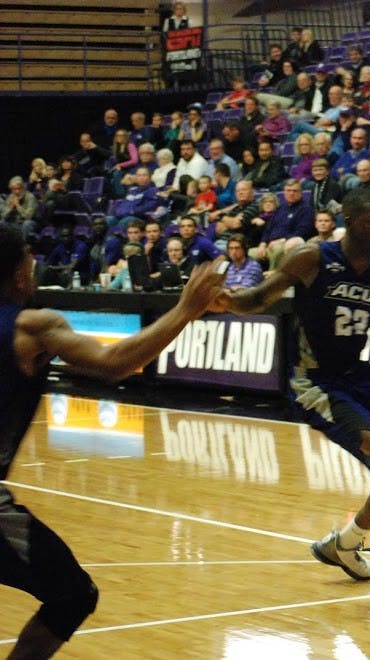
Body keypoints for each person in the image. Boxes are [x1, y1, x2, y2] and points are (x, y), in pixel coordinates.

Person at [215, 189, 370, 602]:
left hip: (358, 375)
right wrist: (223, 299)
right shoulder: (314, 258)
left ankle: (345, 544)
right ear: (349, 218)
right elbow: (258, 298)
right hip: (313, 380)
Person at [0, 224, 225, 657]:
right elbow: (113, 362)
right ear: (21, 275)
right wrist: (183, 310)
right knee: (73, 594)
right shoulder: (30, 328)